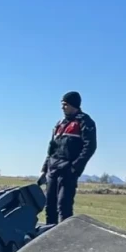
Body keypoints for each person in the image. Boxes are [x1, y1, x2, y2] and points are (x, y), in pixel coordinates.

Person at [38, 91, 97, 225]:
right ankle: (48, 236)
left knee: (63, 207)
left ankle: (64, 239)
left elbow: (90, 147)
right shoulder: (60, 124)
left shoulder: (85, 121)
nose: (62, 107)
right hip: (53, 170)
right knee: (50, 206)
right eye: (62, 104)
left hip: (68, 171)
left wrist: (75, 168)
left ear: (73, 105)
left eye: (65, 104)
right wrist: (44, 169)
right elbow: (51, 149)